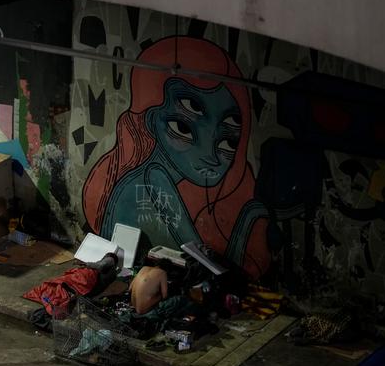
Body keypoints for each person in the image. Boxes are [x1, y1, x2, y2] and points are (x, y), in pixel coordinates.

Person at [81, 36, 270, 279]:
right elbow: (197, 258)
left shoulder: (152, 179)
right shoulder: (152, 178)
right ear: (150, 119)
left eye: (227, 142)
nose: (209, 156)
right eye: (182, 127)